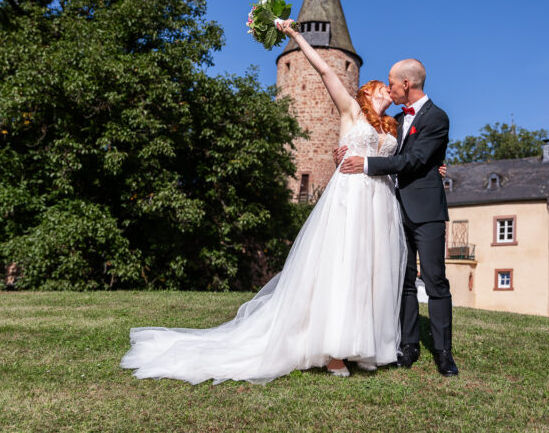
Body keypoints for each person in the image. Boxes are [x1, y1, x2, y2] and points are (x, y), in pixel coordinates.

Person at [120, 19, 407, 384]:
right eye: (378, 86)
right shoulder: (351, 111)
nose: (384, 89)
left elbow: (403, 160)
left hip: (379, 203)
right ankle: (334, 352)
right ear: (364, 95)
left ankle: (367, 346)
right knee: (343, 266)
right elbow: (323, 69)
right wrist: (293, 35)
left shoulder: (392, 127)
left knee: (371, 271)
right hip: (350, 198)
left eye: (387, 86)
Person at [337, 58, 458, 376]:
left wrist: (366, 164)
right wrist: (345, 151)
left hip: (427, 210)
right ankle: (408, 346)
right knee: (404, 282)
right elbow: (379, 145)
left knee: (434, 280)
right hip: (393, 207)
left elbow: (417, 159)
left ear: (407, 84)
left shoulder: (437, 118)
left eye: (392, 82)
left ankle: (443, 353)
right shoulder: (395, 121)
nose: (389, 88)